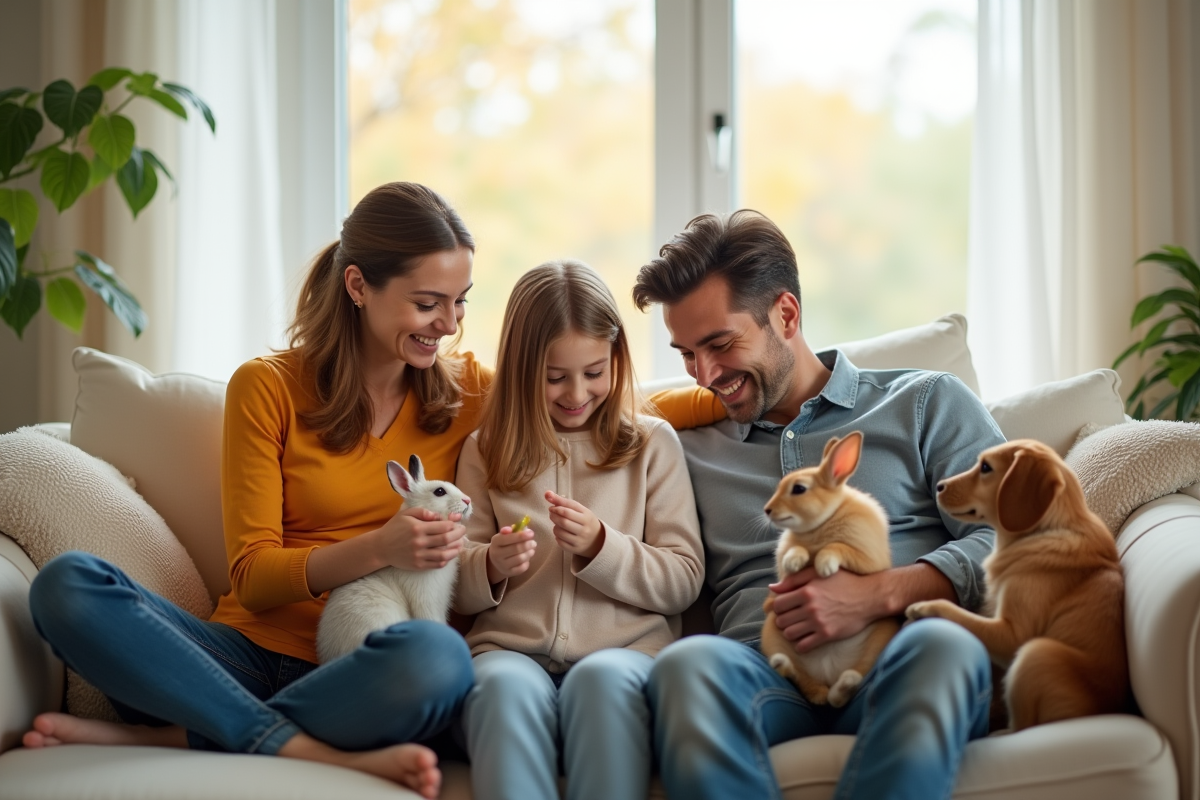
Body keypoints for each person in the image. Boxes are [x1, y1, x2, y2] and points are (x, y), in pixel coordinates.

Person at [22, 182, 491, 798]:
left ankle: (195, 733)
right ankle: (295, 743)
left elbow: (582, 397)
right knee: (67, 585)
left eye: (460, 302)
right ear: (357, 286)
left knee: (437, 657)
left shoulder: (471, 393)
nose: (449, 325)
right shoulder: (267, 387)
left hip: (365, 671)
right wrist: (381, 547)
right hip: (239, 660)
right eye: (428, 303)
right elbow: (254, 577)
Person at [631, 209, 1007, 800]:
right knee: (686, 666)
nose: (704, 375)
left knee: (946, 647)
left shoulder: (923, 403)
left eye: (720, 344)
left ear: (786, 314)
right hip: (762, 670)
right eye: (685, 354)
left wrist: (879, 594)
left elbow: (1013, 538)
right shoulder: (682, 448)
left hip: (900, 655)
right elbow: (555, 402)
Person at [452, 259, 707, 800]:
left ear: (617, 358)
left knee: (600, 683)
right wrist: (490, 565)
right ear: (521, 370)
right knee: (501, 690)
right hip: (508, 655)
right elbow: (453, 584)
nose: (576, 393)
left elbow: (684, 579)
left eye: (594, 372)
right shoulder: (486, 449)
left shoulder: (651, 445)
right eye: (554, 377)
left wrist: (601, 546)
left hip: (626, 656)